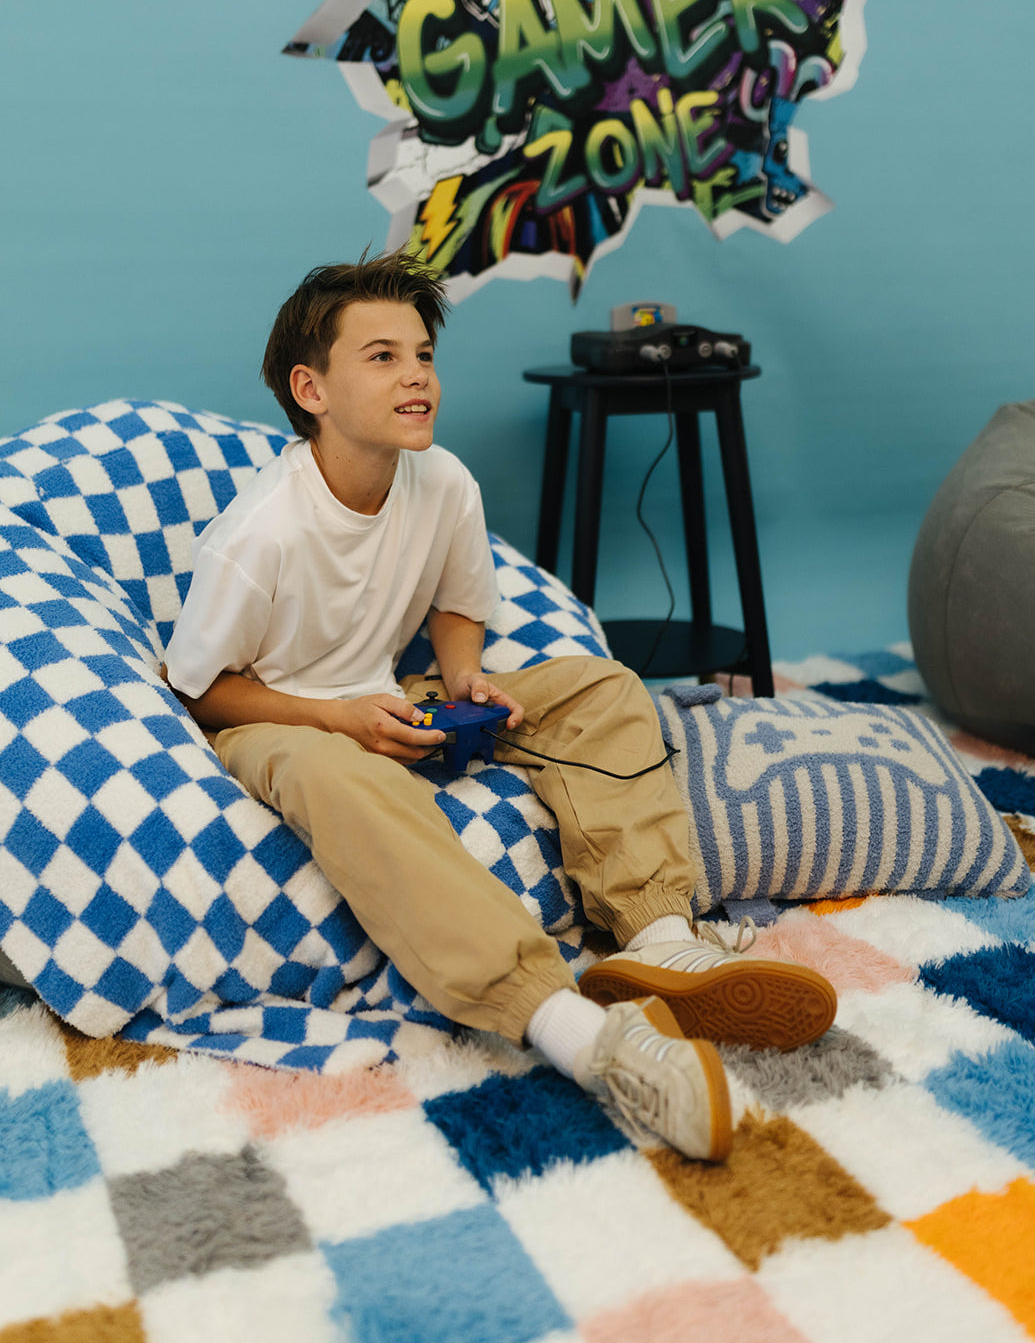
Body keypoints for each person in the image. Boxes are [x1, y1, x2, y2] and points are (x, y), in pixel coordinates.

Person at [164, 250, 836, 1162]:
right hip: (279, 723)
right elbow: (200, 690)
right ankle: (581, 1034)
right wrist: (337, 722)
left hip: (387, 699)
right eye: (382, 357)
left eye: (424, 355)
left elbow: (457, 600)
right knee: (345, 781)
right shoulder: (261, 533)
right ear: (309, 389)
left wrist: (467, 674)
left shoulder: (441, 481)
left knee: (598, 686)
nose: (416, 376)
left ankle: (661, 935)